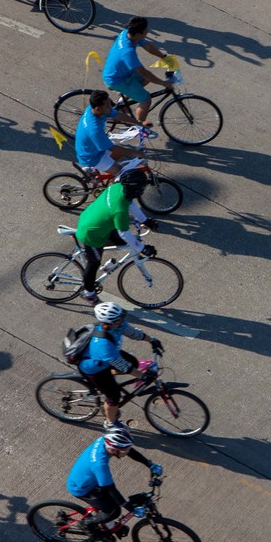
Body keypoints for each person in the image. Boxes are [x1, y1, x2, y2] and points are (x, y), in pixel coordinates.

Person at [65, 428, 163, 540]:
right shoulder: (99, 464)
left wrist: (150, 464)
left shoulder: (106, 441)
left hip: (90, 478)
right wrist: (130, 508)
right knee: (113, 511)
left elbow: (129, 451)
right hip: (82, 488)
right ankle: (86, 523)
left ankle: (109, 524)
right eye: (123, 451)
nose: (126, 452)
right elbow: (111, 489)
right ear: (112, 449)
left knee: (111, 503)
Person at [75, 170, 154, 305]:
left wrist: (145, 220)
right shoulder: (119, 210)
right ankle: (88, 293)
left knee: (122, 242)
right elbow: (124, 232)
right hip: (91, 234)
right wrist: (142, 248)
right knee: (94, 262)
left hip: (93, 219)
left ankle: (107, 264)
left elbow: (130, 203)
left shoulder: (117, 187)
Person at [77, 302, 158, 427]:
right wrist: (142, 376)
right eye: (119, 319)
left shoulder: (118, 325)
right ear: (109, 323)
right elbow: (124, 367)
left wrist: (152, 340)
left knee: (134, 363)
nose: (123, 320)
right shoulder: (102, 345)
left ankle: (109, 381)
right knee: (114, 398)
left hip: (110, 356)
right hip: (94, 369)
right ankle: (110, 422)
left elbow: (134, 333)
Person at [102, 17, 173, 125]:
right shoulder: (127, 52)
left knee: (145, 80)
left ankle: (121, 104)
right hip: (117, 79)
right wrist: (164, 83)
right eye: (145, 31)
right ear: (138, 34)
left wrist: (164, 57)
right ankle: (139, 125)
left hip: (120, 71)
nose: (147, 32)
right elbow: (144, 73)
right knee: (146, 99)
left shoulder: (127, 33)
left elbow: (147, 46)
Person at [75, 90, 149, 179]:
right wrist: (137, 153)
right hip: (92, 157)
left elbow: (118, 115)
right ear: (98, 109)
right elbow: (112, 148)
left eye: (110, 104)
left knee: (124, 154)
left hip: (94, 147)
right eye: (108, 106)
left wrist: (138, 123)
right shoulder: (94, 130)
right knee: (123, 175)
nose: (111, 108)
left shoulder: (94, 108)